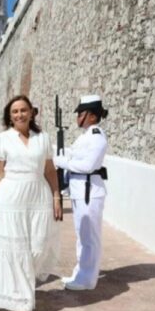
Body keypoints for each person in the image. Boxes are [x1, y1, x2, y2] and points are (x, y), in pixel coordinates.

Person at [0, 95, 63, 311]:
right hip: (10, 198)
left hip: (39, 196)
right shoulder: (3, 139)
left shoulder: (43, 138)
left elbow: (50, 170)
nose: (19, 114)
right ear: (9, 117)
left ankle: (23, 288)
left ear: (31, 113)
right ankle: (22, 302)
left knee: (39, 245)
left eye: (23, 110)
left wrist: (56, 196)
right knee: (16, 249)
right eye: (15, 112)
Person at [53, 95, 109, 291]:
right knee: (82, 235)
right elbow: (75, 155)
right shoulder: (85, 136)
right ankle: (81, 272)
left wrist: (62, 162)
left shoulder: (97, 137)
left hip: (89, 192)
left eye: (81, 114)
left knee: (90, 238)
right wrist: (64, 155)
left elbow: (88, 165)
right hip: (80, 191)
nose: (77, 117)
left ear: (92, 116)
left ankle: (87, 279)